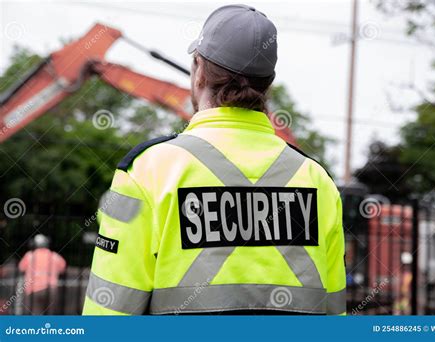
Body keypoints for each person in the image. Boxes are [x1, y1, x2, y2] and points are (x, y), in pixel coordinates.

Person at [83, 4, 346, 315]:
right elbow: (335, 318)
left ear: (199, 71)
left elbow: (109, 316)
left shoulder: (145, 172)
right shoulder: (319, 183)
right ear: (268, 83)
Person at [19, 234, 66, 315]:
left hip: (33, 289)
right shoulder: (54, 256)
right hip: (51, 289)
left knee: (36, 314)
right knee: (51, 314)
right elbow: (63, 268)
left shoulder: (29, 256)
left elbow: (21, 268)